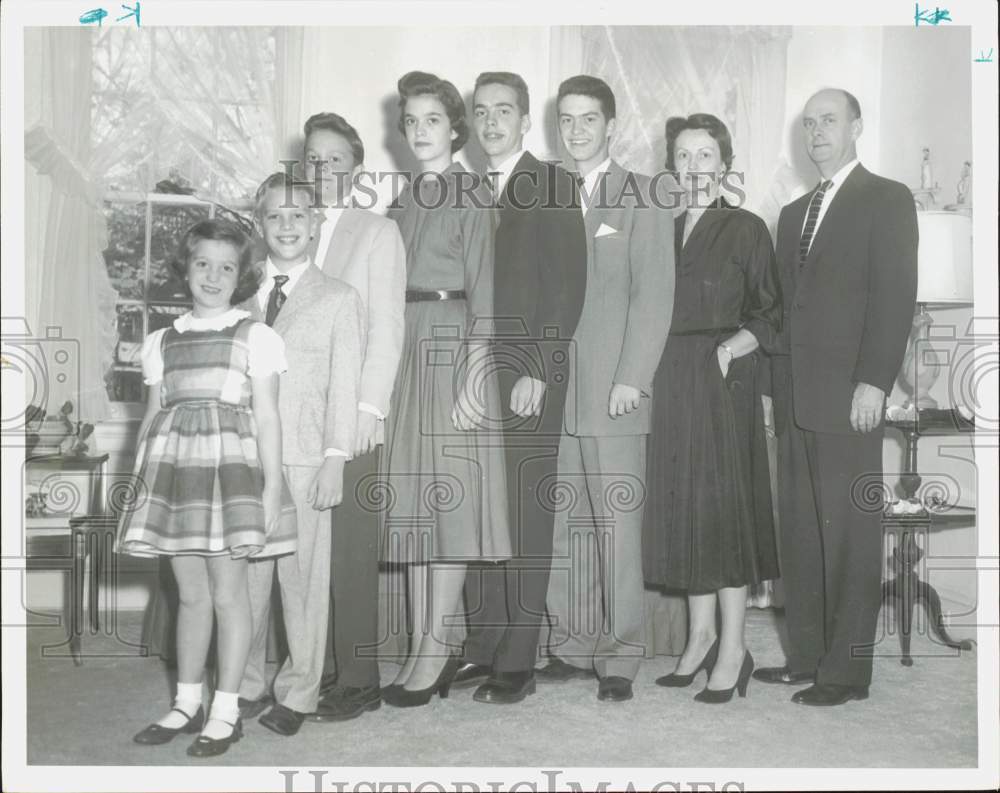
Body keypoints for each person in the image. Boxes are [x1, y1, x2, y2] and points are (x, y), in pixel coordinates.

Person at [755, 88, 917, 706]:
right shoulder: (793, 213)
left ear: (856, 127)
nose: (818, 130)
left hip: (852, 395)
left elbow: (895, 296)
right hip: (797, 398)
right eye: (810, 123)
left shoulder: (886, 198)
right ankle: (807, 657)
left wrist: (874, 381)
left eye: (830, 120)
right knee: (800, 529)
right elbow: (783, 314)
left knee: (849, 534)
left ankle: (846, 673)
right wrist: (774, 392)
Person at [119, 218, 295, 757]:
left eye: (226, 267)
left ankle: (226, 709)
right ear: (186, 269)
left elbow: (267, 418)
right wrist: (137, 487)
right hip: (175, 480)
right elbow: (151, 419)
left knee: (227, 594)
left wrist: (269, 492)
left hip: (230, 477)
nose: (213, 276)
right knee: (190, 595)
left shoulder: (256, 336)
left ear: (241, 276)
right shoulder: (160, 342)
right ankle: (186, 702)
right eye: (203, 264)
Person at [541, 75, 674, 702]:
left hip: (613, 392)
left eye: (588, 119)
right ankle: (569, 643)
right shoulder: (543, 194)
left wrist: (631, 379)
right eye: (566, 120)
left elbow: (654, 298)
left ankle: (621, 653)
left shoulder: (642, 196)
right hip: (554, 396)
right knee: (562, 523)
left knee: (616, 529)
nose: (576, 131)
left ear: (611, 125)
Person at [455, 71, 587, 705]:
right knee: (482, 507)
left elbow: (568, 284)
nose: (490, 123)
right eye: (481, 112)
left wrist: (538, 366)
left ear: (525, 119)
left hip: (528, 370)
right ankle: (481, 646)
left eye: (503, 111)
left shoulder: (554, 182)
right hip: (473, 370)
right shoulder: (465, 188)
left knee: (526, 513)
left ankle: (518, 660)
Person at [380, 70, 510, 707]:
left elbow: (487, 289)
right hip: (404, 351)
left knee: (448, 508)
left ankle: (435, 650)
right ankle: (420, 643)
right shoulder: (400, 201)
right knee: (410, 506)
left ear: (454, 129)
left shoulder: (473, 194)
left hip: (453, 347)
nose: (420, 131)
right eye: (411, 121)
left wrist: (476, 373)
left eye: (433, 119)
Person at [641, 113, 781, 703]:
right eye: (683, 156)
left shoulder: (745, 227)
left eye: (704, 156)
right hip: (671, 378)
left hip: (723, 380)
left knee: (722, 516)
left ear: (723, 165)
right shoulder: (661, 230)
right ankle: (697, 638)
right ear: (671, 166)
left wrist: (730, 348)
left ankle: (733, 648)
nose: (693, 167)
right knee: (686, 511)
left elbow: (771, 312)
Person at [237, 172, 364, 735]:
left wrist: (336, 456)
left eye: (298, 215)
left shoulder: (339, 298)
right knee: (246, 577)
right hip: (246, 456)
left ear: (315, 224)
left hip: (308, 455)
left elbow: (346, 384)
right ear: (259, 224)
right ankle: (243, 683)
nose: (286, 225)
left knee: (303, 578)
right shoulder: (241, 298)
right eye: (274, 216)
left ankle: (300, 691)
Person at [299, 112, 407, 724]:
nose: (323, 169)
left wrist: (371, 408)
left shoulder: (376, 233)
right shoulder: (287, 228)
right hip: (296, 413)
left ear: (355, 168)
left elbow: (389, 327)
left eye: (335, 159)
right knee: (306, 550)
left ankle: (359, 677)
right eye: (313, 157)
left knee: (349, 552)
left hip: (352, 414)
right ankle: (315, 670)